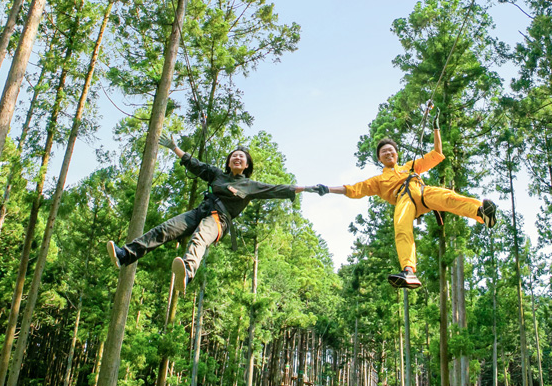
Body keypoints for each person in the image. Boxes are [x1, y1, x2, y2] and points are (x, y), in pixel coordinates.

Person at [107, 135, 328, 290]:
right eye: (234, 156)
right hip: (200, 211)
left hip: (218, 220)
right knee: (165, 229)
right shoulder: (216, 175)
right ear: (229, 162)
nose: (237, 158)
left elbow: (279, 189)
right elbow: (195, 165)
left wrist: (309, 188)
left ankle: (188, 270)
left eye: (242, 157)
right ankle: (125, 254)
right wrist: (175, 148)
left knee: (200, 237)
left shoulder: (250, 185)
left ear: (247, 165)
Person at [318, 117, 496, 289]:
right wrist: (328, 189)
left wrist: (436, 129)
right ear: (379, 159)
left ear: (396, 154)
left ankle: (481, 213)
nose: (388, 153)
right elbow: (353, 189)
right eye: (384, 152)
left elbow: (436, 154)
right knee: (402, 229)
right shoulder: (378, 181)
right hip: (404, 200)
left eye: (391, 150)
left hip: (422, 192)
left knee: (448, 197)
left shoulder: (411, 166)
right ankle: (409, 270)